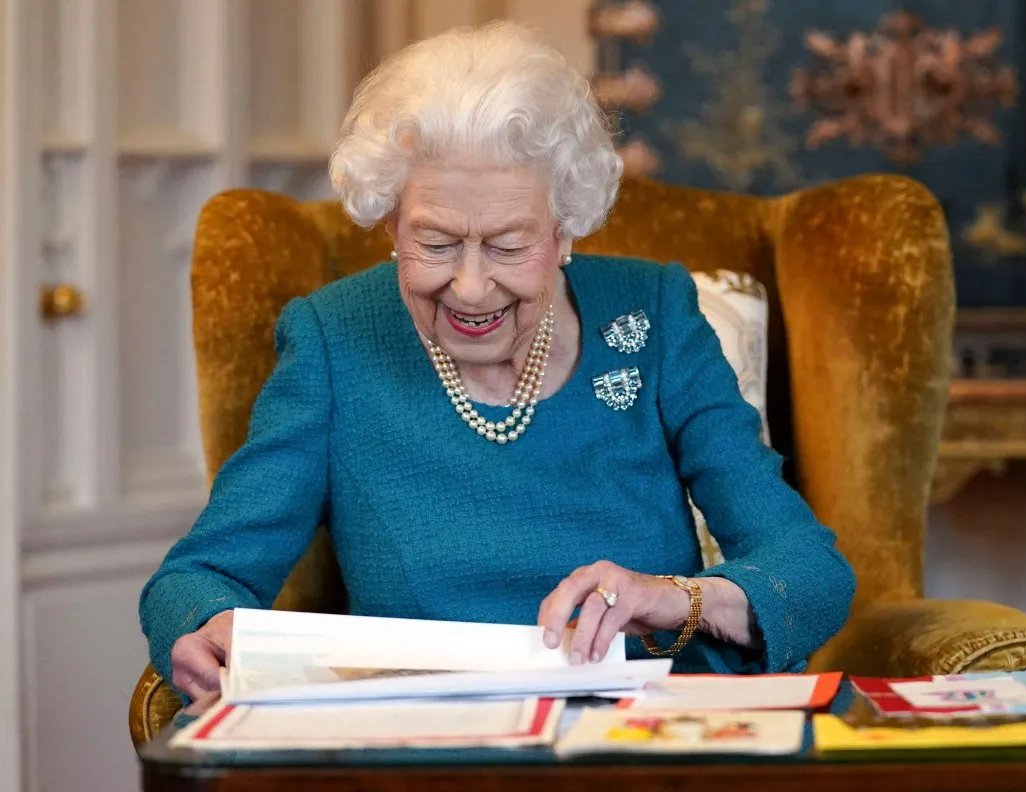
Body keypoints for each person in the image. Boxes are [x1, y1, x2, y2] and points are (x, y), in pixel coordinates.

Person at [140, 21, 855, 703]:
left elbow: (811, 571)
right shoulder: (335, 341)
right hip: (432, 749)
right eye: (437, 242)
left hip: (642, 741)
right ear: (391, 221)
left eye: (509, 245)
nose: (472, 287)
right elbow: (200, 575)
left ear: (565, 225)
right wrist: (207, 625)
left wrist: (674, 599)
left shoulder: (654, 314)